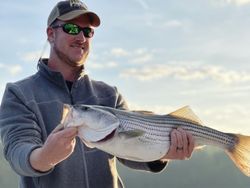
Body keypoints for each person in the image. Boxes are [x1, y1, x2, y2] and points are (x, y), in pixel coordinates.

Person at [0, 1, 195, 187]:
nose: (81, 38)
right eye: (72, 29)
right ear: (51, 34)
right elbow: (18, 152)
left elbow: (130, 152)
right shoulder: (19, 94)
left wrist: (162, 153)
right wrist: (45, 156)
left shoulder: (110, 94)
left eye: (87, 31)